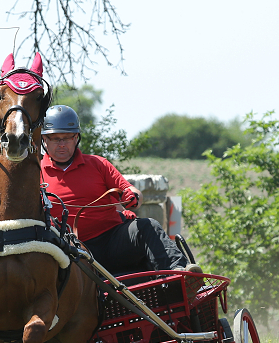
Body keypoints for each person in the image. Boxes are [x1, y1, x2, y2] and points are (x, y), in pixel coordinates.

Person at [40, 105, 196, 275]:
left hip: (112, 240)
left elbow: (132, 190)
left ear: (76, 138)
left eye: (67, 138)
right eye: (56, 138)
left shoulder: (98, 164)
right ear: (45, 140)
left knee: (147, 226)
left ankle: (181, 274)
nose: (62, 144)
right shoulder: (35, 172)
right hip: (69, 249)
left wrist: (132, 195)